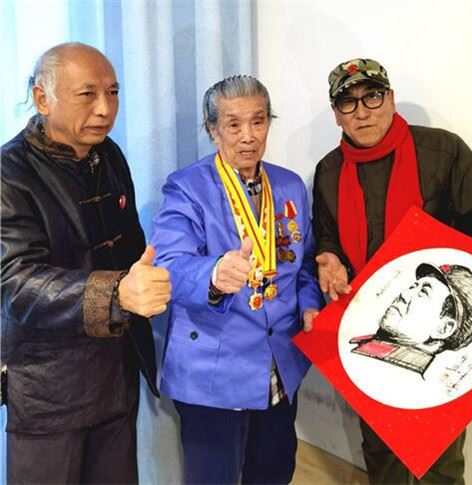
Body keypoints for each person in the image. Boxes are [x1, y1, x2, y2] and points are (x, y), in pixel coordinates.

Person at [313, 58, 472, 483]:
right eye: (348, 103)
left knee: (440, 460)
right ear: (336, 113)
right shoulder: (329, 171)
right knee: (380, 452)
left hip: (437, 351)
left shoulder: (441, 151)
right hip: (368, 334)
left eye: (372, 97)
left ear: (390, 98)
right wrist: (329, 256)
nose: (362, 112)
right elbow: (326, 235)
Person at [1, 42, 171, 484]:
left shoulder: (108, 156)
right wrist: (116, 294)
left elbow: (132, 248)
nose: (105, 109)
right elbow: (15, 282)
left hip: (116, 372)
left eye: (113, 93)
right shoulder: (9, 172)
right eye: (87, 94)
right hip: (48, 387)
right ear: (43, 99)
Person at [151, 75, 323, 484]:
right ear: (213, 130)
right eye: (233, 124)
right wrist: (213, 273)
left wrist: (310, 304)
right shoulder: (187, 188)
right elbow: (169, 265)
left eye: (258, 121)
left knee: (274, 473)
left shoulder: (289, 185)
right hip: (214, 369)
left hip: (280, 365)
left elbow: (304, 263)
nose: (248, 136)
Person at [350, 263, 472, 375]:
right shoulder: (367, 352)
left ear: (443, 328)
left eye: (423, 292)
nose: (404, 294)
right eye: (412, 287)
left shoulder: (396, 374)